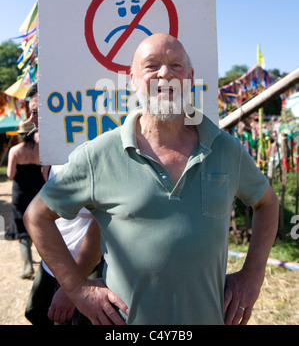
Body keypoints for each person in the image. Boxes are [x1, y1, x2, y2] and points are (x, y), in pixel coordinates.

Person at [24, 33, 279, 325]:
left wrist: (252, 276)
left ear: (190, 77)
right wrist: (78, 289)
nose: (165, 73)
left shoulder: (226, 148)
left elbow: (267, 204)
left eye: (176, 65)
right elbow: (37, 216)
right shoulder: (99, 155)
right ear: (132, 80)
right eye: (151, 65)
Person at [24, 83, 103, 325]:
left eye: (36, 111)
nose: (30, 119)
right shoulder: (53, 155)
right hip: (54, 261)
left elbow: (102, 223)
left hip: (87, 264)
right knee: (35, 312)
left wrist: (74, 286)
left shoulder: (90, 153)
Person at [5, 119, 45, 279]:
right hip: (38, 190)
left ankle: (28, 265)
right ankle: (46, 263)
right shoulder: (41, 149)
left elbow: (10, 174)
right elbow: (45, 170)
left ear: (20, 135)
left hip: (20, 192)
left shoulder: (15, 150)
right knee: (40, 223)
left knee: (21, 224)